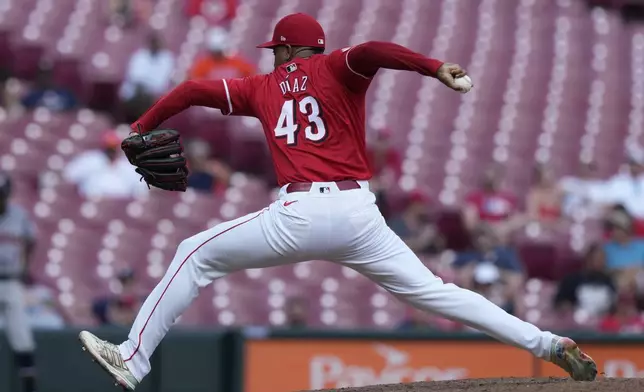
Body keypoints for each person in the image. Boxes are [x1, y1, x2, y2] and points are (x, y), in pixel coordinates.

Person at [78, 13, 596, 390]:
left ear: (283, 50)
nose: (273, 55)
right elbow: (371, 50)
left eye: (275, 48)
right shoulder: (337, 69)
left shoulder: (262, 87)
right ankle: (548, 344)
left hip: (300, 213)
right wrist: (433, 66)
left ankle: (133, 358)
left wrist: (143, 125)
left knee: (195, 251)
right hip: (359, 215)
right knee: (436, 292)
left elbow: (192, 89)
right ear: (318, 49)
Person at [0, 173, 38, 392]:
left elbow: (30, 242)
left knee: (21, 334)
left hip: (12, 280)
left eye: (2, 195)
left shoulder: (19, 216)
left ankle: (28, 382)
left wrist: (24, 267)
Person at [63, 129, 148, 198]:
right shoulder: (90, 159)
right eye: (109, 147)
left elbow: (141, 190)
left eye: (114, 147)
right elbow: (69, 175)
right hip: (92, 201)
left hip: (121, 206)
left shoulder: (128, 166)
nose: (111, 151)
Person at [120, 32, 175, 123]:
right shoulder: (140, 55)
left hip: (152, 94)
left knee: (149, 100)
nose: (155, 45)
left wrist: (146, 84)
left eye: (157, 43)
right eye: (153, 42)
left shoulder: (167, 59)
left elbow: (160, 83)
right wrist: (144, 83)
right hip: (135, 91)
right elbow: (134, 76)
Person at [554, 243, 616, 317]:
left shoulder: (608, 281)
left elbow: (613, 305)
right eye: (597, 259)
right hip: (577, 323)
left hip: (602, 323)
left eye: (602, 259)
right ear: (588, 259)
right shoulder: (572, 280)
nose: (601, 262)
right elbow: (559, 303)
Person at [188, 27, 255, 81]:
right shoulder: (203, 65)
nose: (217, 55)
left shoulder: (238, 63)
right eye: (214, 51)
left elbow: (252, 78)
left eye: (218, 52)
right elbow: (193, 81)